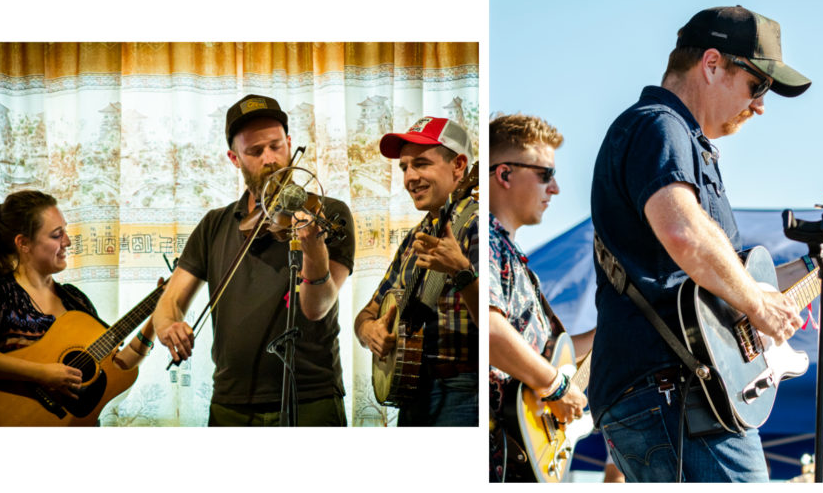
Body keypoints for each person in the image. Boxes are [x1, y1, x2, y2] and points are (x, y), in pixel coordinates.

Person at [590, 5, 813, 481]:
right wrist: (758, 304)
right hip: (675, 394)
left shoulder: (678, 137)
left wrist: (785, 288)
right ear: (712, 64)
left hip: (678, 394)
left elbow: (704, 272)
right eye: (758, 85)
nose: (760, 105)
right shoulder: (660, 125)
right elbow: (684, 233)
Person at [151, 93, 355, 426]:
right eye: (255, 151)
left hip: (311, 396)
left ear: (290, 143)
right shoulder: (215, 224)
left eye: (276, 146)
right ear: (234, 158)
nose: (270, 159)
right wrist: (168, 324)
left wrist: (313, 246)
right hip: (232, 399)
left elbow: (317, 307)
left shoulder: (326, 213)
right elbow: (169, 301)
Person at [354, 116, 478, 426]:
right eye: (405, 168)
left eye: (421, 164)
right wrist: (370, 332)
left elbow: (496, 325)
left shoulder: (479, 225)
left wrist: (462, 271)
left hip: (463, 391)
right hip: (412, 395)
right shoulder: (414, 237)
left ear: (459, 165)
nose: (410, 177)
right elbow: (366, 314)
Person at [488, 113, 589, 482]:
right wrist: (557, 386)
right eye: (545, 174)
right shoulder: (483, 239)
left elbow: (551, 355)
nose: (556, 188)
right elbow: (490, 330)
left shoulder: (510, 253)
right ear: (504, 175)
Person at [0, 190, 154, 403]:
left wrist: (156, 319)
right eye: (56, 235)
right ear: (23, 243)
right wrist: (41, 373)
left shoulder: (75, 300)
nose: (68, 242)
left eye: (65, 231)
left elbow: (119, 365)